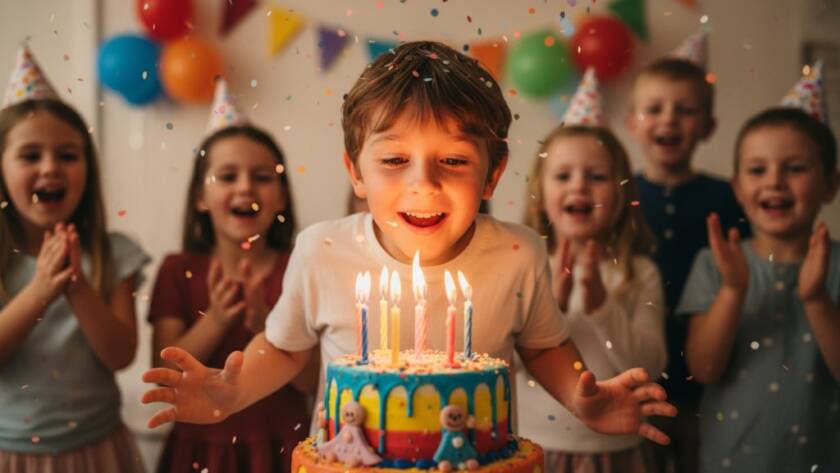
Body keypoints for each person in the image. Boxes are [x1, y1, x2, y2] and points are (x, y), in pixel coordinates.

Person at [141, 41, 676, 449]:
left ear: (492, 176)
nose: (424, 183)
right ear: (355, 171)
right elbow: (285, 346)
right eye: (395, 160)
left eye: (455, 160)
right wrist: (230, 392)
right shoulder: (321, 249)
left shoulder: (519, 253)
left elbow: (544, 347)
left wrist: (583, 396)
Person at [149, 80, 314, 473]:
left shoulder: (301, 265)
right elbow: (164, 376)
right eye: (227, 177)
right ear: (200, 198)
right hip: (197, 450)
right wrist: (218, 321)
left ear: (282, 197)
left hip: (281, 447)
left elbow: (309, 383)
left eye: (262, 176)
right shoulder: (177, 270)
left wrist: (269, 329)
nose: (245, 187)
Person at [0, 46, 148, 472]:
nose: (51, 168)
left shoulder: (114, 252)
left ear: (88, 168)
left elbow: (121, 355)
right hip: (13, 453)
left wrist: (77, 286)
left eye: (68, 155)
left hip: (97, 449)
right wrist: (42, 290)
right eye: (30, 155)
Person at [679, 106, 840, 472]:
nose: (774, 181)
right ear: (737, 187)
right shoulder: (713, 263)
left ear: (830, 184)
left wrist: (816, 299)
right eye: (757, 170)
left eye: (795, 168)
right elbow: (703, 368)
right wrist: (733, 291)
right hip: (732, 461)